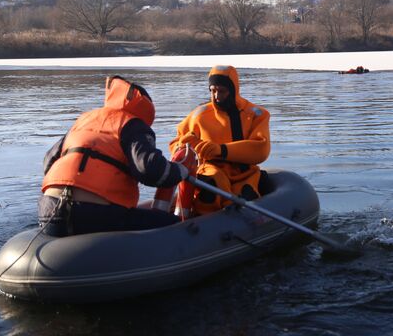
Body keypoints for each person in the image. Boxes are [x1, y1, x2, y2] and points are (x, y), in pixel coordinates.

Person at [39, 75, 192, 236]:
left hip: (49, 211)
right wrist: (181, 170)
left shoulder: (84, 120)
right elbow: (151, 170)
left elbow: (48, 162)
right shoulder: (132, 124)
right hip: (93, 215)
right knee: (172, 225)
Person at [169, 65, 271, 216]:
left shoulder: (257, 115)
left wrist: (221, 150)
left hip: (243, 175)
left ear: (233, 89)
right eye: (213, 90)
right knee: (212, 185)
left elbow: (261, 149)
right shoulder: (200, 115)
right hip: (210, 171)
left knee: (245, 196)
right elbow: (176, 143)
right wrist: (185, 147)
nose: (216, 96)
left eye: (221, 91)